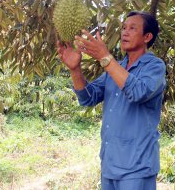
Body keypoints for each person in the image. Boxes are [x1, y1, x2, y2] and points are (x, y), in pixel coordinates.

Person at [57, 11, 166, 190]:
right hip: (109, 165)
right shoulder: (117, 67)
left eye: (132, 28)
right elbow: (88, 98)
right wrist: (75, 70)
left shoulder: (155, 67)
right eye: (123, 28)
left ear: (147, 36)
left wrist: (105, 58)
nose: (124, 32)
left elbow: (138, 91)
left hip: (137, 168)